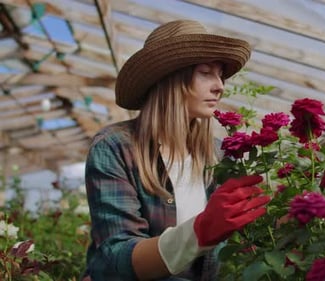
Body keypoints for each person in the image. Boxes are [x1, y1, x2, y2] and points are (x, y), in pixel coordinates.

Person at [82, 19, 271, 281]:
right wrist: (200, 231)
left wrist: (288, 214)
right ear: (170, 79)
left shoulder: (218, 156)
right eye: (206, 73)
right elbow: (117, 258)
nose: (220, 85)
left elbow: (250, 241)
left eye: (220, 74)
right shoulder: (116, 148)